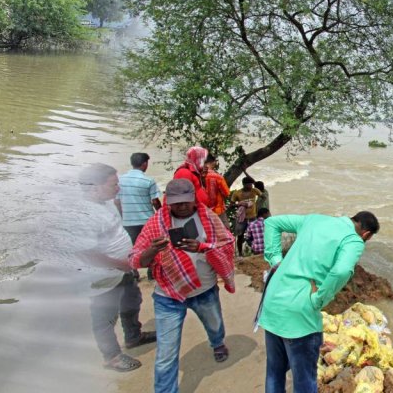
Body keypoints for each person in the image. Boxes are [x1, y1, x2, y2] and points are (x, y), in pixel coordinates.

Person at [129, 178, 236, 393]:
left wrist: (202, 247)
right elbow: (136, 259)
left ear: (194, 199)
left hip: (204, 290)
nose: (182, 206)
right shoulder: (155, 223)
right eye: (176, 203)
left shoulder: (208, 217)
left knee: (215, 325)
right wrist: (153, 250)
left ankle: (217, 343)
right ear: (168, 202)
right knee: (165, 355)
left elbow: (227, 243)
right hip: (168, 295)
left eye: (186, 201)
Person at [258, 211, 380, 393]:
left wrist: (276, 260)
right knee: (305, 380)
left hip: (273, 302)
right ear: (366, 235)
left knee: (274, 371)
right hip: (299, 315)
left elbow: (272, 223)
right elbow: (341, 271)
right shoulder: (353, 240)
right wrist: (318, 299)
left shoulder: (314, 219)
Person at [80, 163, 156, 372]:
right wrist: (120, 264)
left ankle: (133, 335)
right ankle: (111, 356)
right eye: (114, 184)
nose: (118, 188)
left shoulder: (107, 202)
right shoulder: (84, 216)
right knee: (105, 316)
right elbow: (87, 254)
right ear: (95, 187)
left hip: (123, 269)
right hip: (102, 277)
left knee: (132, 301)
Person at [115, 152, 162, 243]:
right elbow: (155, 202)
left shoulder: (120, 180)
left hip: (128, 222)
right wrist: (161, 215)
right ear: (145, 164)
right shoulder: (148, 180)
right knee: (149, 247)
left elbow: (117, 202)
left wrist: (123, 218)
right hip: (147, 222)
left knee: (133, 249)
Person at [230, 176, 262, 256]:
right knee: (240, 235)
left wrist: (257, 205)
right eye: (249, 185)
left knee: (254, 235)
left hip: (253, 217)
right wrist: (239, 204)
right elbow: (231, 205)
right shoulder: (237, 193)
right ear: (244, 184)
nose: (251, 186)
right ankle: (240, 253)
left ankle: (254, 251)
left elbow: (263, 196)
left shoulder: (255, 191)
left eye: (251, 184)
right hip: (242, 219)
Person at [204, 154, 231, 229]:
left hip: (203, 211)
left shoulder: (198, 175)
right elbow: (226, 193)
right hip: (217, 210)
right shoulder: (217, 176)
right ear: (212, 162)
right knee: (226, 231)